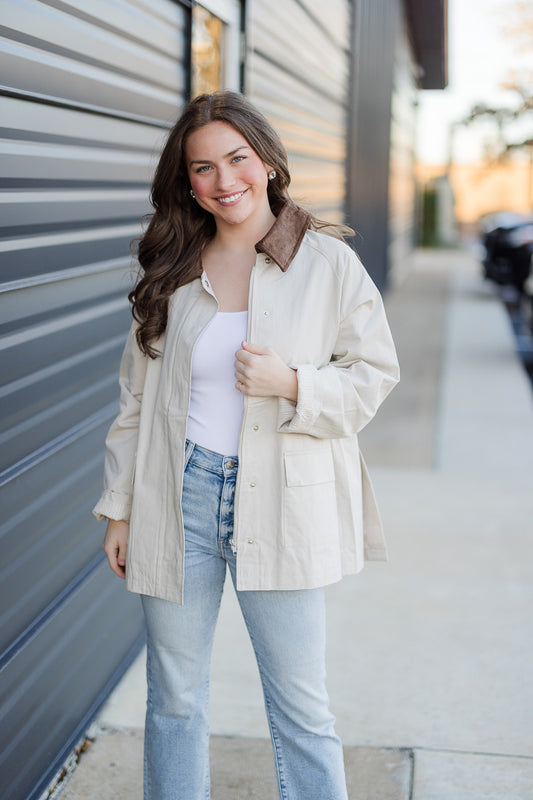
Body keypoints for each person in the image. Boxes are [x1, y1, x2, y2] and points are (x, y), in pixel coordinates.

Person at [93, 90, 399, 800]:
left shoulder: (324, 262)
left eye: (236, 159)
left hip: (284, 500)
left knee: (301, 705)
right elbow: (135, 402)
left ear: (265, 162)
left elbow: (374, 375)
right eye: (202, 168)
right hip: (178, 496)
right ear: (186, 182)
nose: (223, 180)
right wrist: (119, 508)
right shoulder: (173, 266)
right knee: (174, 698)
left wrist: (293, 382)